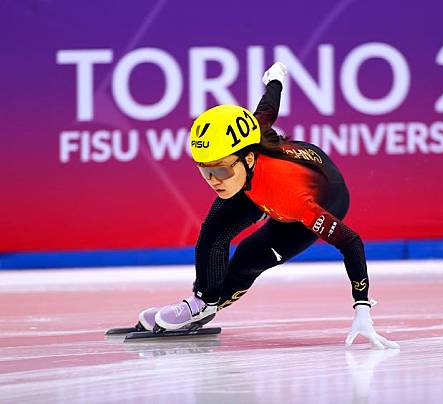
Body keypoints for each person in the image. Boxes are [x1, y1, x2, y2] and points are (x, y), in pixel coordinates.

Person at [140, 62, 398, 350]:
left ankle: (210, 305)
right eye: (205, 171)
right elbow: (267, 108)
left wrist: (361, 305)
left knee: (249, 257)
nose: (213, 180)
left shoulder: (293, 198)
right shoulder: (245, 140)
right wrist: (275, 78)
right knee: (214, 229)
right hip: (259, 182)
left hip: (322, 196)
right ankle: (202, 302)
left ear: (248, 159)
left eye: (221, 171)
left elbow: (350, 241)